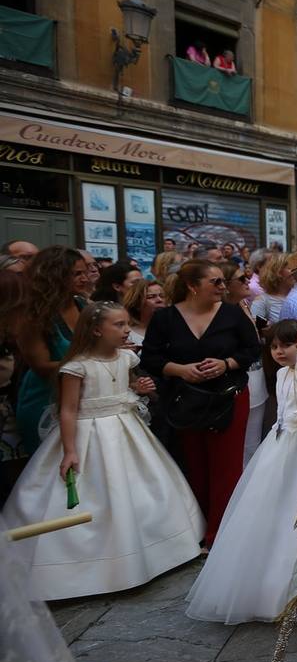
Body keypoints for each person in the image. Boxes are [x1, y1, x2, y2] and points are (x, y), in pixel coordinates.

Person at [2, 302, 204, 600]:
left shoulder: (127, 359)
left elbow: (129, 386)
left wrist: (141, 387)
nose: (126, 330)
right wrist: (70, 451)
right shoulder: (77, 366)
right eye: (118, 325)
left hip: (126, 430)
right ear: (96, 329)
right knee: (99, 494)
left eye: (126, 324)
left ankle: (160, 550)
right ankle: (90, 565)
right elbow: (68, 411)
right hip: (89, 435)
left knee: (141, 487)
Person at [185, 321, 297, 624]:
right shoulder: (282, 374)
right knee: (269, 507)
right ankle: (261, 579)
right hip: (278, 446)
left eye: (287, 345)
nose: (280, 352)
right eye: (273, 347)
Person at [141, 259, 260, 546]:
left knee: (226, 466)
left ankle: (221, 534)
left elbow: (252, 350)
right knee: (195, 464)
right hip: (186, 400)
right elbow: (151, 359)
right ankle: (198, 526)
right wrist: (180, 370)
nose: (222, 287)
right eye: (215, 282)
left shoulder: (232, 314)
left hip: (228, 397)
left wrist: (226, 363)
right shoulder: (166, 319)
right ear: (192, 287)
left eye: (223, 281)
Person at [15, 247, 90, 453]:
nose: (85, 278)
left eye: (86, 272)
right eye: (77, 274)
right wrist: (92, 363)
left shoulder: (83, 305)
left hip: (82, 397)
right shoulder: (34, 314)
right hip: (45, 398)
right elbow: (41, 366)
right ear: (55, 275)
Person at [121, 278, 165, 349]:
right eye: (151, 297)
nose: (159, 300)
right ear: (137, 304)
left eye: (163, 296)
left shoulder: (178, 328)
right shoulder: (126, 335)